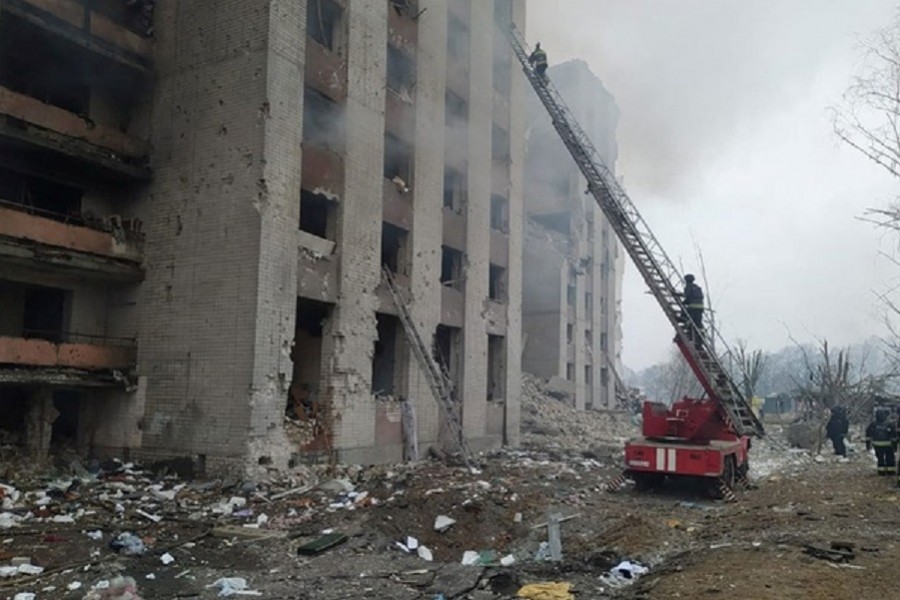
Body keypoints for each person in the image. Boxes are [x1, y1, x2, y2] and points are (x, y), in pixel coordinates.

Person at [865, 408, 897, 476]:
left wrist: (868, 445)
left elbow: (868, 435)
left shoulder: (873, 424)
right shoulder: (889, 424)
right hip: (888, 445)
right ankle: (891, 472)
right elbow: (894, 436)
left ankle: (881, 472)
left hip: (877, 444)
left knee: (880, 458)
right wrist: (895, 446)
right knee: (890, 458)